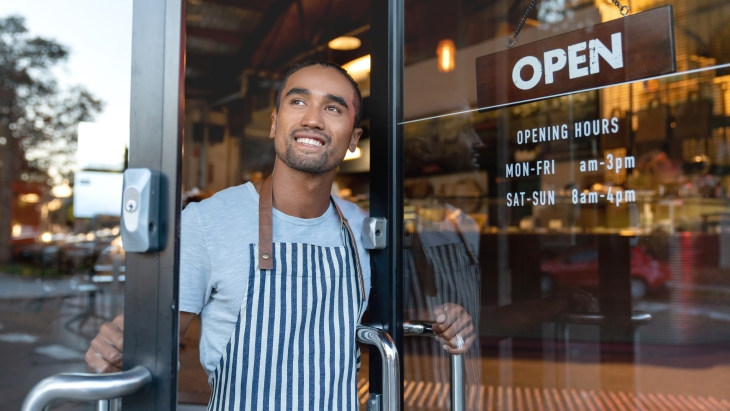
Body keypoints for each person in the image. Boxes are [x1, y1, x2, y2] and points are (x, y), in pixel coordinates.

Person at [85, 61, 475, 410]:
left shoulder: (362, 228)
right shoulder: (208, 221)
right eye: (298, 102)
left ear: (354, 139)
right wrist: (118, 343)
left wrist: (443, 321)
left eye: (333, 108)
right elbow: (158, 334)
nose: (313, 120)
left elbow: (377, 321)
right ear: (275, 124)